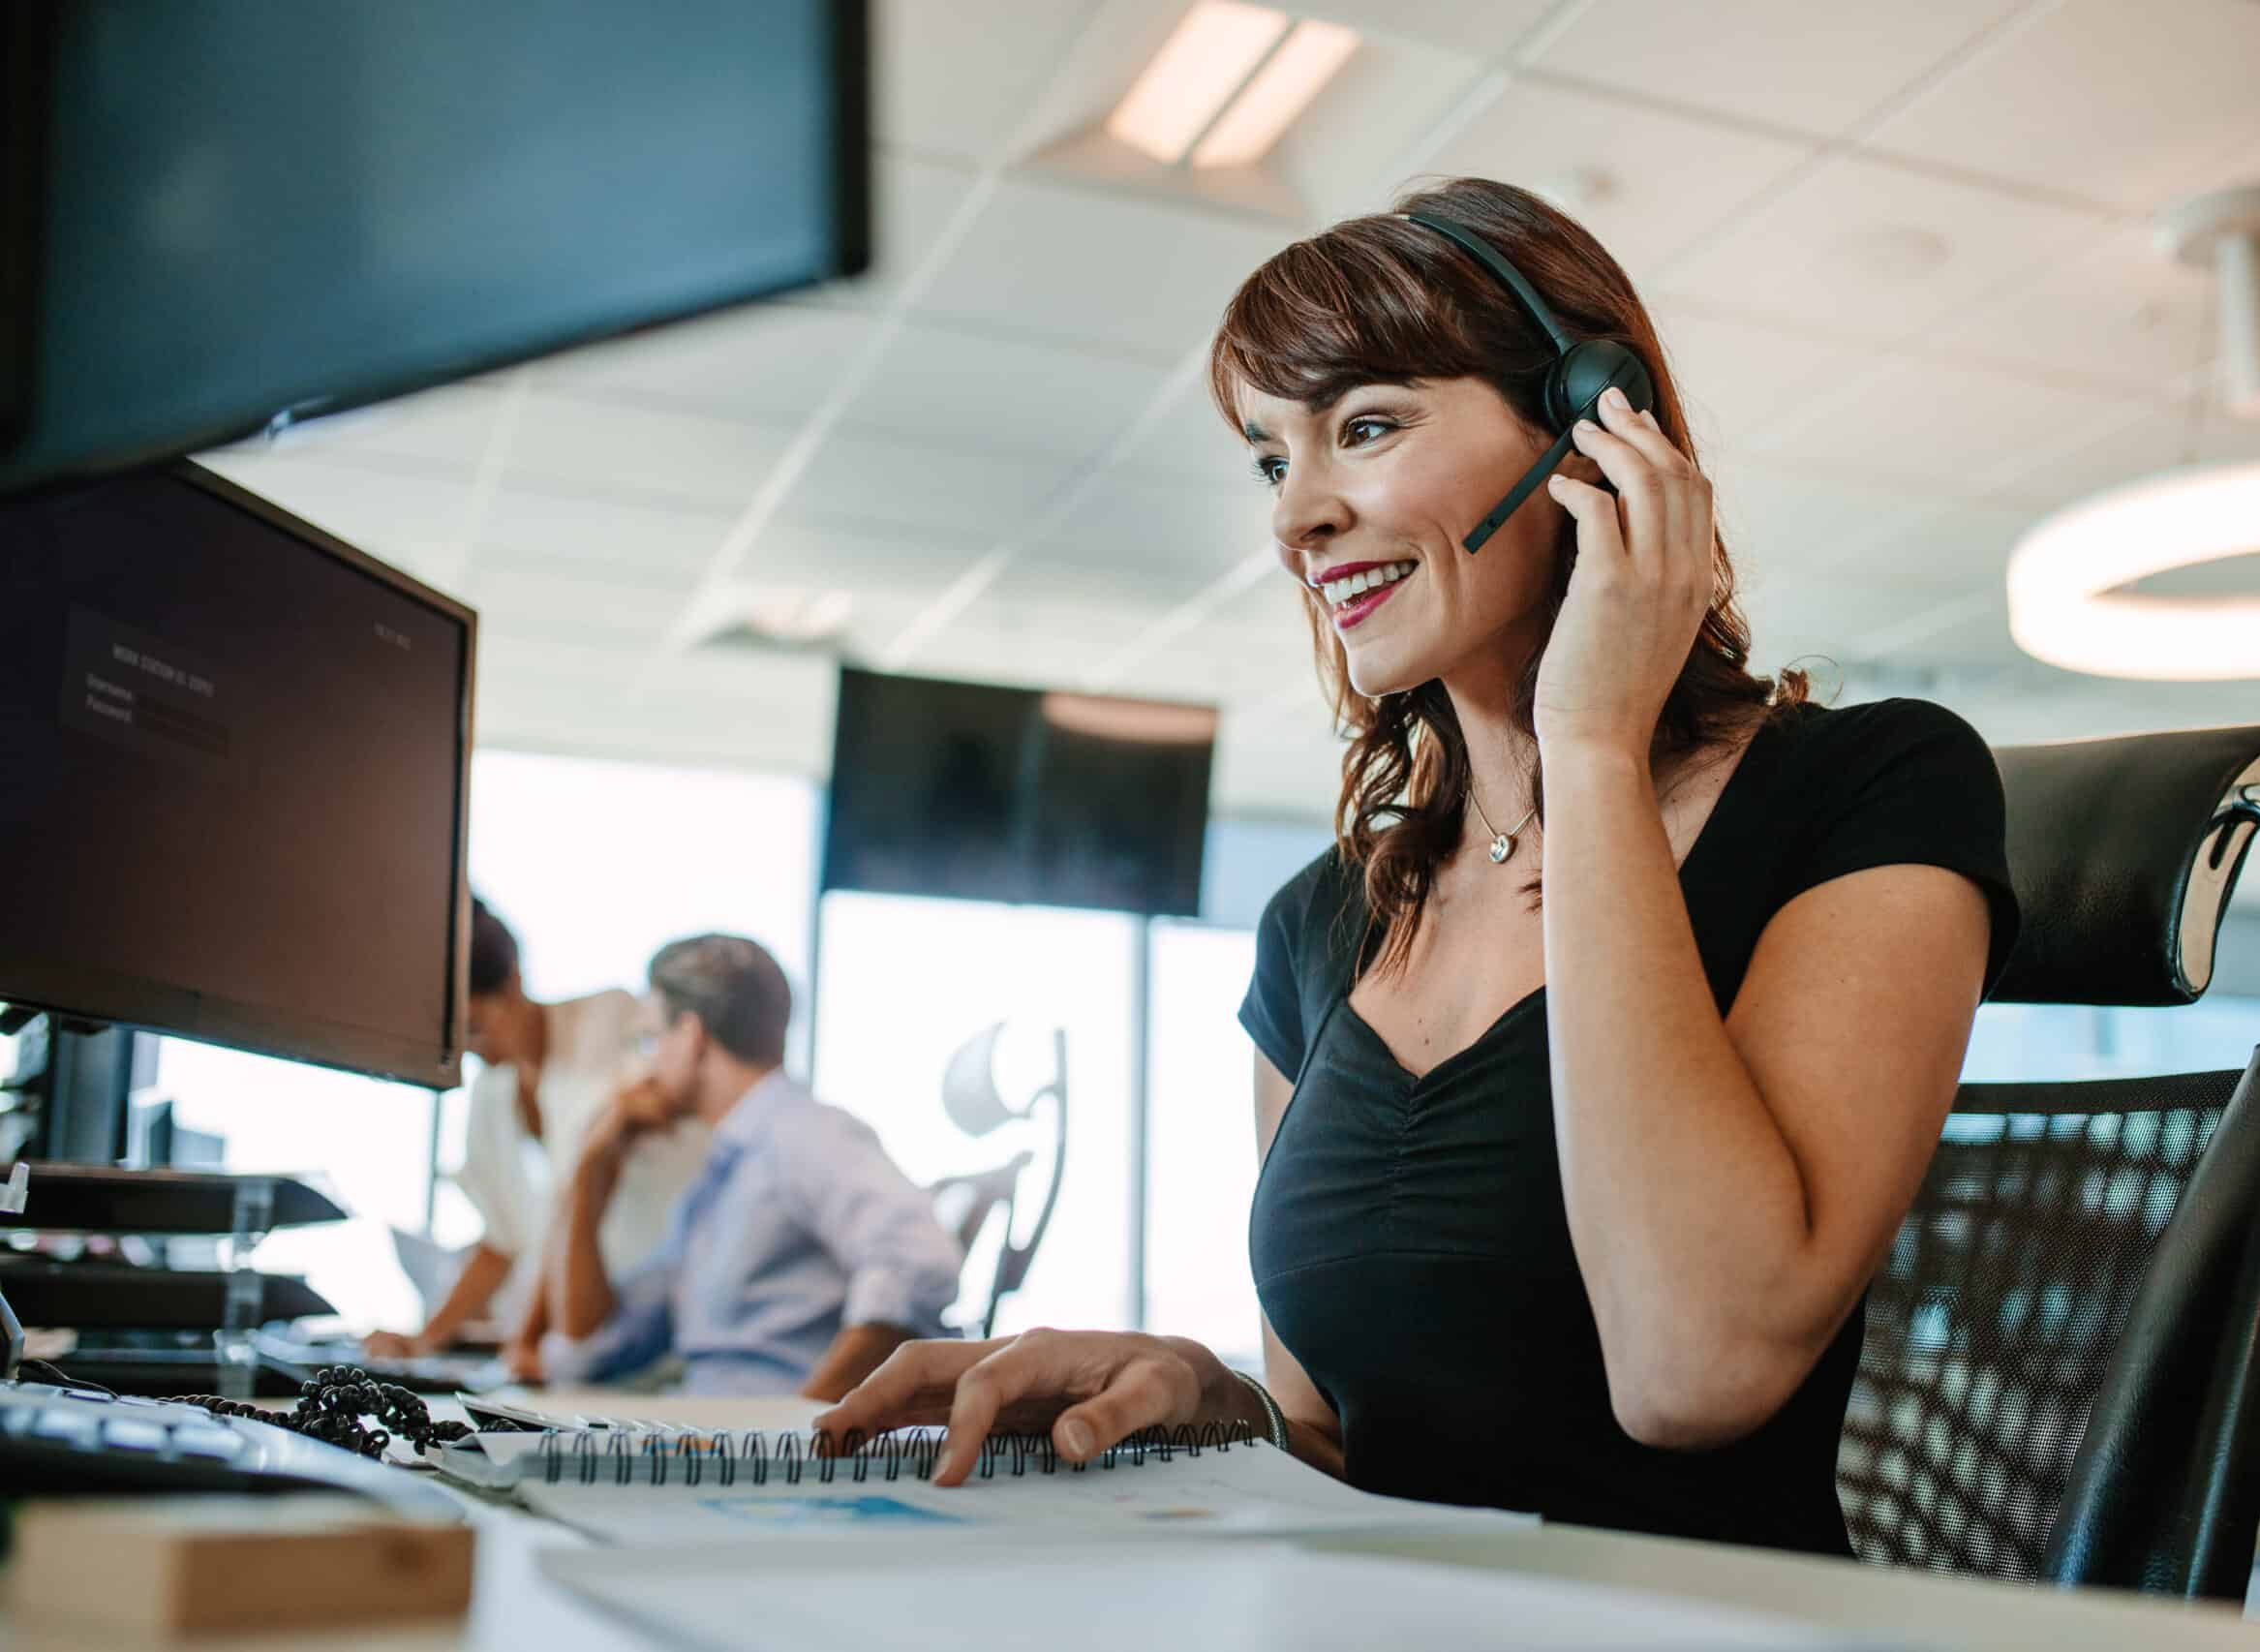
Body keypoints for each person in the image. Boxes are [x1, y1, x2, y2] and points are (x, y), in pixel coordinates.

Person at [816, 176, 2018, 1558]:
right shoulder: (1318, 923)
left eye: (1366, 428)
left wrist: (1590, 745)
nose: (1295, 521)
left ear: (1593, 430)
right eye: (1274, 459)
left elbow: (1696, 1367)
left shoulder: (1871, 787)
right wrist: (1205, 1397)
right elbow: (1333, 1434)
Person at [540, 933, 962, 1398]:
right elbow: (590, 1345)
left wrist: (804, 1430)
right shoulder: (720, 1181)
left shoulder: (803, 1133)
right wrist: (590, 1176)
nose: (644, 1066)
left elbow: (917, 1264)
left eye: (647, 1040)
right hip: (712, 1432)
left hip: (761, 1451)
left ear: (691, 1036)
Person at [365, 898, 708, 1368]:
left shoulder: (611, 1019)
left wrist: (528, 1339)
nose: (471, 1048)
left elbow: (582, 1189)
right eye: (456, 1035)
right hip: (563, 1340)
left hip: (649, 1309)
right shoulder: (491, 1091)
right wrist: (425, 1340)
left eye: (476, 1027)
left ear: (514, 985)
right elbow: (500, 1241)